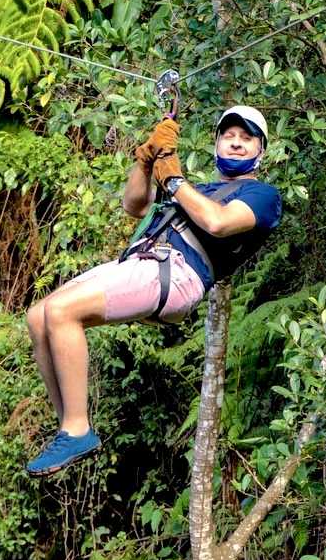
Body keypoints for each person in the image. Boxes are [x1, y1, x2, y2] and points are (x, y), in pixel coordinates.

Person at [24, 104, 283, 476]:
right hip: (142, 261)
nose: (237, 144)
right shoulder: (204, 189)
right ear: (216, 144)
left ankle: (77, 428)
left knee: (63, 311)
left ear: (261, 150)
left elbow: (218, 221)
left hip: (176, 272)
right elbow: (135, 205)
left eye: (247, 139)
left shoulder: (262, 195)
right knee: (39, 316)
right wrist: (147, 162)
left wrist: (175, 179)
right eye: (229, 136)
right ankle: (69, 427)